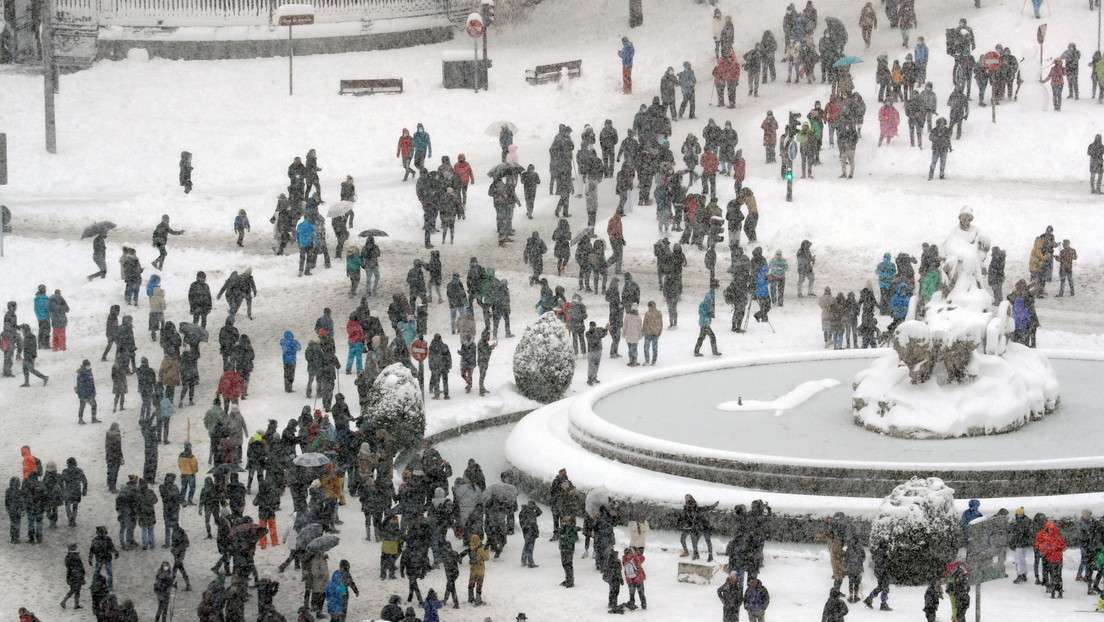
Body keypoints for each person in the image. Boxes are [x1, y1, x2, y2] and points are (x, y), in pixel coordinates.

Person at [863, 539, 892, 610]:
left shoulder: (878, 552)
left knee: (880, 587)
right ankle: (883, 603)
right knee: (885, 588)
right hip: (883, 572)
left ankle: (869, 599)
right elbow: (883, 563)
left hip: (879, 572)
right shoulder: (882, 553)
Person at [60, 543, 86, 609]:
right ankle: (64, 602)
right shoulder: (76, 556)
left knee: (75, 590)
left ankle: (74, 604)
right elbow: (80, 566)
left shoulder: (68, 557)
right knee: (75, 590)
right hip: (77, 575)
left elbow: (68, 567)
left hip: (73, 575)